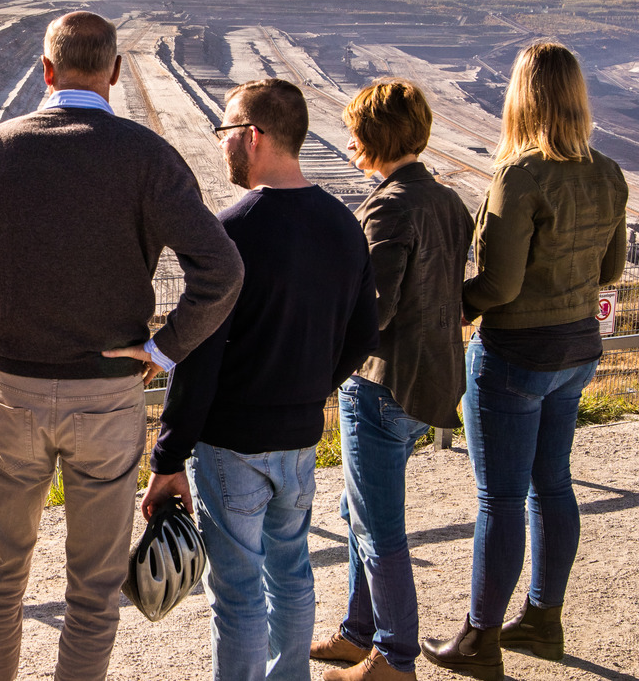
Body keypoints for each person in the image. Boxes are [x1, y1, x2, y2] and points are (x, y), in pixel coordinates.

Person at [0, 10, 244, 681]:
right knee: (93, 591)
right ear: (113, 72)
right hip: (108, 401)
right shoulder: (145, 156)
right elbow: (222, 270)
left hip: (12, 393)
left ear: (46, 70)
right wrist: (164, 350)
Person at [145, 78, 380, 681]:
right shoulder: (343, 225)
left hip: (231, 444)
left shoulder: (232, 232)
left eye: (225, 132)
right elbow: (362, 335)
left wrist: (168, 456)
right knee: (293, 574)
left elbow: (199, 355)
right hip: (301, 435)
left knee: (240, 595)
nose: (221, 144)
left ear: (253, 137)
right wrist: (307, 387)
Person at [421, 42, 628, 681]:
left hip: (515, 354)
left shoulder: (520, 176)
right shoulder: (609, 171)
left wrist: (454, 304)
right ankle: (543, 619)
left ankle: (480, 641)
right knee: (553, 484)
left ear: (522, 97)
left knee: (502, 498)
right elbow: (614, 271)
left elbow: (500, 286)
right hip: (577, 351)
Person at [310, 82, 474, 681]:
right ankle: (360, 634)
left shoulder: (387, 206)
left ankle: (395, 659)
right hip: (429, 381)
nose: (348, 138)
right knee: (361, 512)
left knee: (378, 527)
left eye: (356, 129)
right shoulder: (449, 201)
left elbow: (370, 311)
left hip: (380, 384)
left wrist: (319, 351)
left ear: (379, 135)